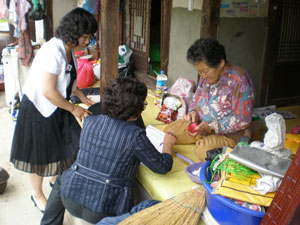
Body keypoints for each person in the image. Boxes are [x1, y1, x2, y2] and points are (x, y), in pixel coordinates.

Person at [40, 77, 177, 225]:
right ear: (138, 110)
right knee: (152, 205)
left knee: (65, 175)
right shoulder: (135, 135)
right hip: (105, 209)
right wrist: (168, 144)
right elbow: (163, 166)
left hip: (69, 196)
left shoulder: (90, 122)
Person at [10, 8, 98, 212]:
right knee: (38, 154)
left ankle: (54, 180)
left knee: (66, 145)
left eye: (89, 36)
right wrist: (74, 108)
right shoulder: (53, 51)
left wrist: (82, 96)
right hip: (39, 109)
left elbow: (68, 79)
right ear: (73, 32)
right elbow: (49, 91)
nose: (88, 41)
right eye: (85, 36)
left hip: (58, 105)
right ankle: (37, 194)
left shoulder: (68, 50)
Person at [164, 38, 255, 161]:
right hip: (202, 126)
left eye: (204, 71)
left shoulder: (239, 81)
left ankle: (212, 143)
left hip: (229, 135)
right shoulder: (205, 76)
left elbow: (243, 120)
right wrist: (193, 112)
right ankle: (204, 140)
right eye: (199, 72)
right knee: (170, 130)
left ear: (221, 63)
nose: (202, 76)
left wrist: (212, 126)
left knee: (203, 151)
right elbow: (196, 99)